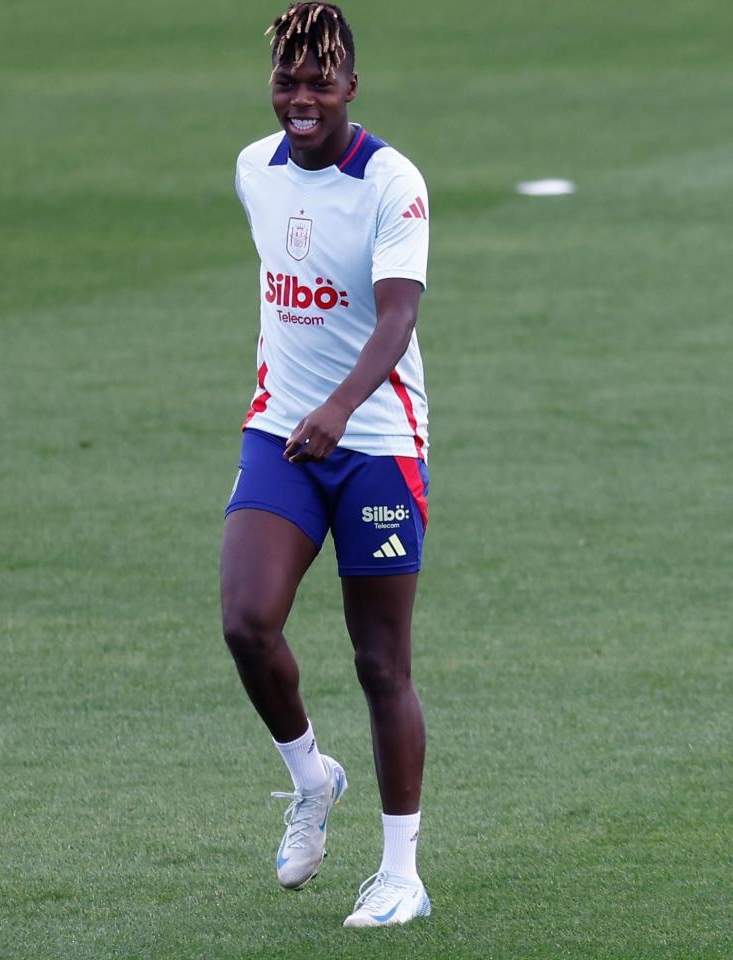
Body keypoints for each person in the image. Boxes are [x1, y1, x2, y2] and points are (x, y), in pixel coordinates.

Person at [222, 2, 433, 928]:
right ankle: (312, 778)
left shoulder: (392, 182)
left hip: (377, 444)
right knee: (246, 624)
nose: (300, 98)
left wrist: (341, 409)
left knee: (381, 663)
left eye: (319, 81)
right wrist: (305, 414)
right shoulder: (253, 171)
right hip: (281, 435)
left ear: (352, 85)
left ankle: (400, 875)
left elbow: (396, 316)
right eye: (286, 81)